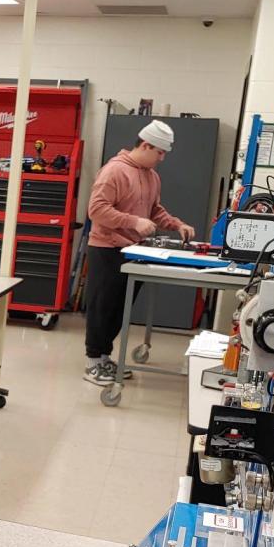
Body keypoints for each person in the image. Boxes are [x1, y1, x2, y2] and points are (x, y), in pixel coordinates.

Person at [83, 119, 195, 386]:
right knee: (102, 307)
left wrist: (177, 224)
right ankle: (92, 362)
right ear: (145, 145)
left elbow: (154, 209)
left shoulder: (151, 176)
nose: (162, 159)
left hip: (132, 251)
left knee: (119, 310)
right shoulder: (114, 172)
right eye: (159, 152)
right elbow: (96, 210)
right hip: (107, 249)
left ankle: (104, 357)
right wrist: (133, 222)